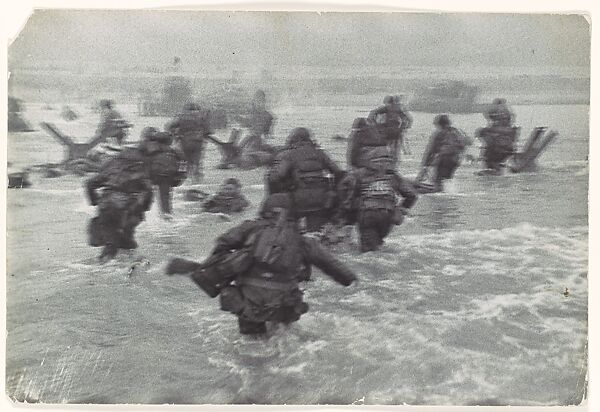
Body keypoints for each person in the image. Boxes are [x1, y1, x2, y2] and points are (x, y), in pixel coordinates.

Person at [166, 193, 357, 336]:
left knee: (252, 345)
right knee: (282, 340)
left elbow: (222, 243)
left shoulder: (250, 228)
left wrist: (220, 269)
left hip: (247, 303)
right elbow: (334, 267)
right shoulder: (302, 240)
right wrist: (352, 281)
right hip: (284, 305)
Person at [337, 146, 417, 253]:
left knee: (368, 252)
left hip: (367, 214)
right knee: (378, 244)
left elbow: (343, 187)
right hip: (388, 215)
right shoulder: (393, 176)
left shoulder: (358, 174)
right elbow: (412, 195)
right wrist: (402, 208)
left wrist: (349, 205)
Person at [267, 127, 345, 232]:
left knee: (291, 233)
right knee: (315, 234)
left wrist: (277, 194)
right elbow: (339, 172)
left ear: (293, 140)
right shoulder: (320, 153)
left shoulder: (288, 155)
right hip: (321, 201)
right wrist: (332, 190)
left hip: (297, 201)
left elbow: (275, 178)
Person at [86, 146, 153, 262]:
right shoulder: (140, 168)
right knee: (126, 238)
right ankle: (131, 261)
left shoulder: (112, 166)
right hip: (129, 209)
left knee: (111, 240)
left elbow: (90, 183)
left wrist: (94, 201)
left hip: (107, 206)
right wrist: (144, 208)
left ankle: (106, 264)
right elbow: (149, 191)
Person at [139, 127, 187, 220]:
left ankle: (141, 215)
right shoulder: (174, 150)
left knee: (142, 193)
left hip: (152, 175)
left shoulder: (147, 147)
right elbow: (183, 162)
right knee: (165, 199)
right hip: (168, 176)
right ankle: (167, 215)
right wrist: (181, 176)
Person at [416, 114, 471, 191]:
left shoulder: (439, 133)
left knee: (438, 181)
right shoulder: (458, 132)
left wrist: (424, 165)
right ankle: (446, 194)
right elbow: (467, 143)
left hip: (444, 159)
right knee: (447, 180)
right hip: (456, 160)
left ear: (439, 124)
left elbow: (430, 150)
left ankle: (437, 193)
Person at [166, 103, 212, 184]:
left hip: (185, 140)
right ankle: (196, 179)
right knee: (197, 160)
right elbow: (208, 130)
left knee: (185, 159)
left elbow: (169, 127)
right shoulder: (201, 116)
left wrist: (175, 134)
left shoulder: (181, 116)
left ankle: (185, 178)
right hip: (198, 141)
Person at [477, 98, 518, 173]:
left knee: (490, 155)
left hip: (497, 153)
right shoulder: (508, 126)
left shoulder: (494, 129)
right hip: (505, 151)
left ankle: (494, 168)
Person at [368, 95, 413, 163]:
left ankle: (388, 162)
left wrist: (374, 124)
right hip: (397, 132)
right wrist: (405, 127)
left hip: (387, 132)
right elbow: (409, 119)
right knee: (396, 151)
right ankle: (394, 164)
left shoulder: (386, 108)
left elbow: (372, 113)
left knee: (387, 149)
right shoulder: (399, 108)